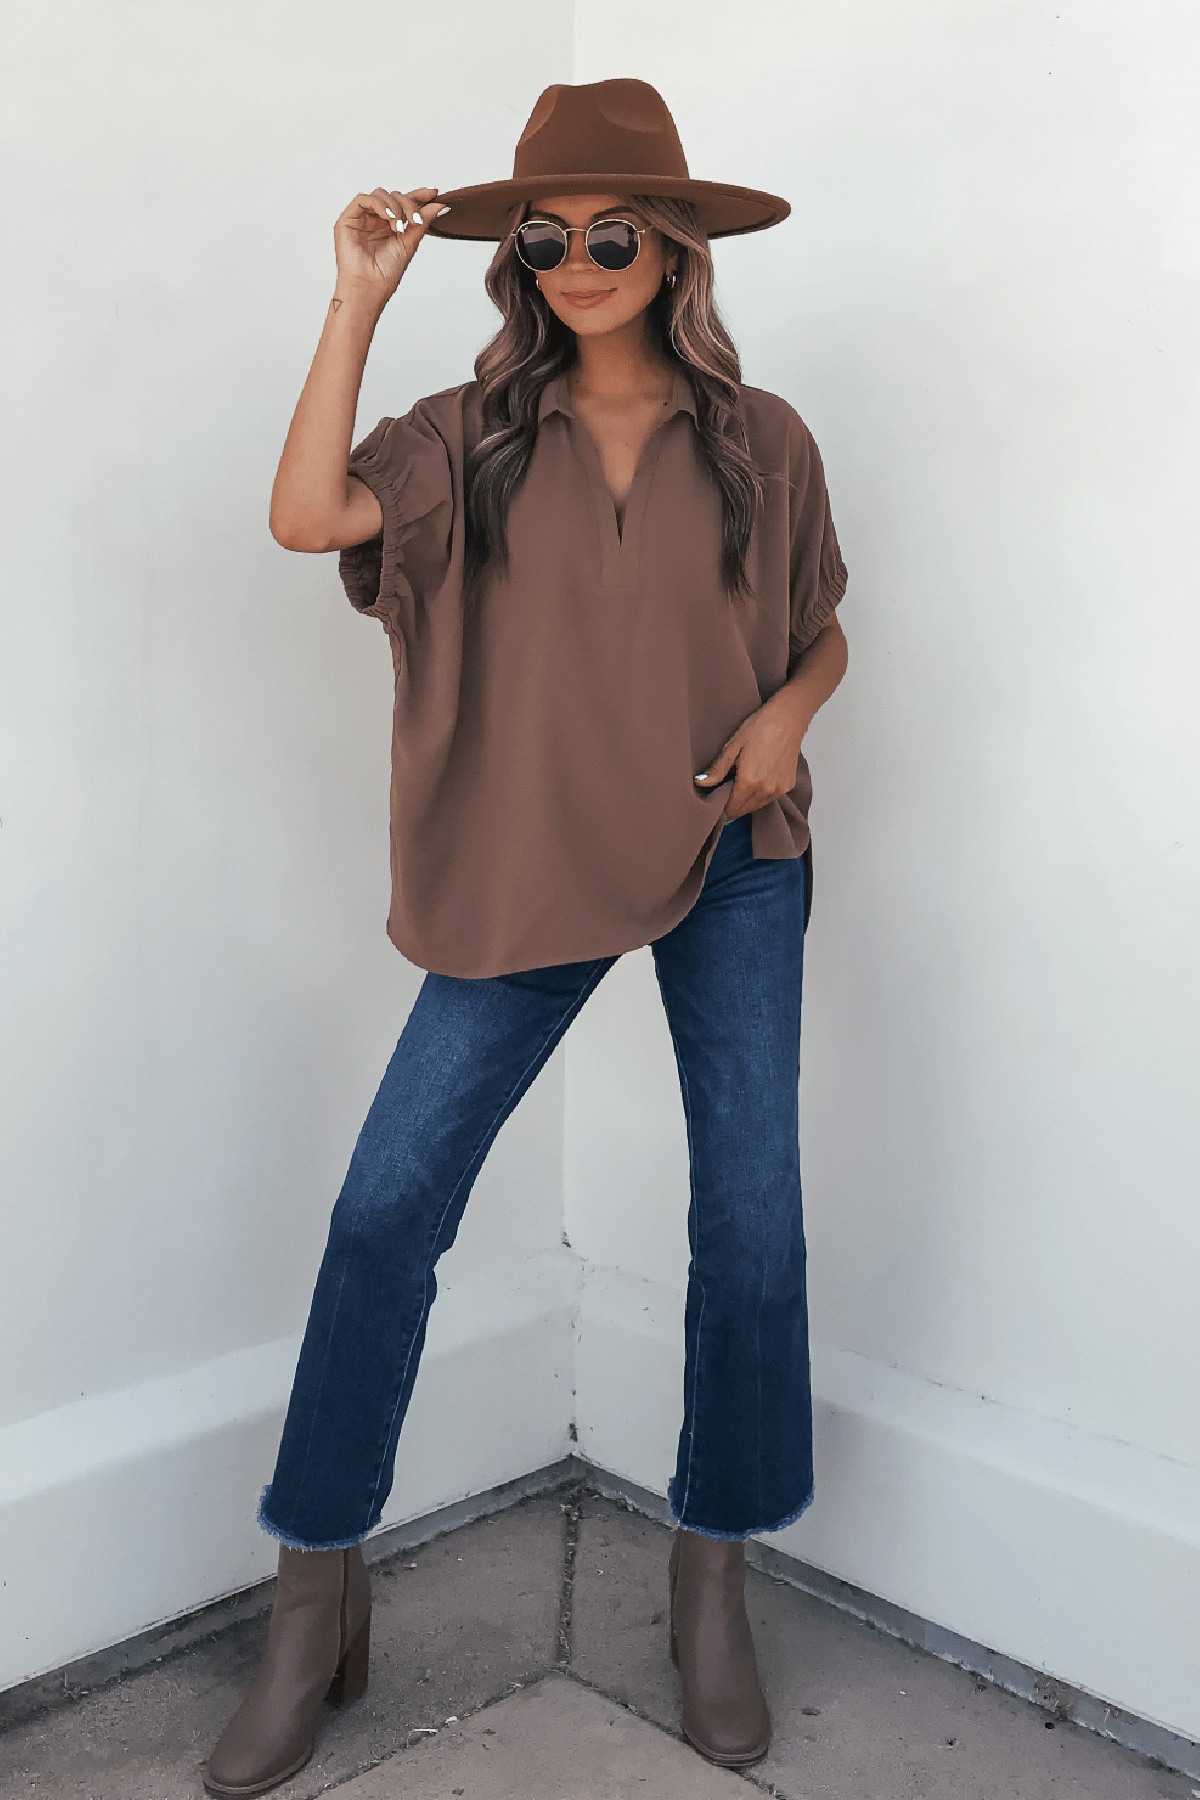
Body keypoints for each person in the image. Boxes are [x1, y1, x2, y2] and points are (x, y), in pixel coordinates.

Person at [202, 77, 849, 1798]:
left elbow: (824, 628)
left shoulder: (766, 439)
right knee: (384, 1213)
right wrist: (356, 298)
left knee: (751, 1228)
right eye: (545, 236)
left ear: (676, 250)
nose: (575, 260)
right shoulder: (461, 436)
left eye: (612, 234)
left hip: (734, 850)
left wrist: (787, 714)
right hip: (526, 865)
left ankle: (710, 1579)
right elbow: (305, 517)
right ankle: (313, 1593)